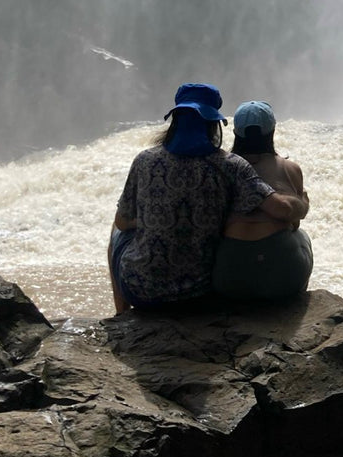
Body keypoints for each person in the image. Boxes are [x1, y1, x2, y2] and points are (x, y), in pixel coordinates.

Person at [109, 83, 306, 314]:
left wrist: (153, 219)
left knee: (115, 229)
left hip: (141, 291)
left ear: (174, 120)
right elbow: (281, 209)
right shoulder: (232, 165)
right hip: (202, 293)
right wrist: (302, 202)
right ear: (214, 125)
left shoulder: (144, 161)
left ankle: (120, 315)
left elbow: (124, 222)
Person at [214, 99, 314, 301]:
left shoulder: (220, 167)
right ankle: (295, 301)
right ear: (272, 131)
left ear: (236, 132)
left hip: (228, 275)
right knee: (303, 236)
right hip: (281, 275)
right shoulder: (289, 168)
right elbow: (294, 222)